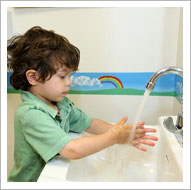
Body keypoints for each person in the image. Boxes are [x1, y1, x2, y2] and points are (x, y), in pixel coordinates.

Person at [7, 26, 158, 182]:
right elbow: (72, 150)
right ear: (34, 77)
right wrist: (114, 136)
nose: (69, 82)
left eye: (70, 75)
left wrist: (123, 133)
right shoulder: (31, 114)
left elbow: (89, 123)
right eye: (62, 76)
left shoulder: (60, 104)